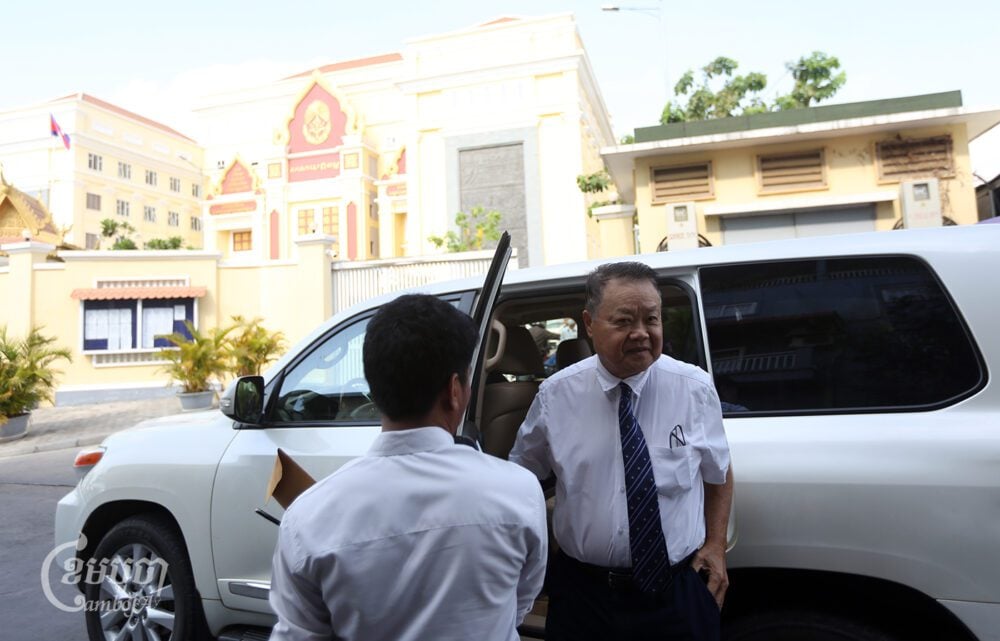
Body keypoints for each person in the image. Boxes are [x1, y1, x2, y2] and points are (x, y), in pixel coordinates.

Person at [270, 294, 548, 641]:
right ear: (455, 390)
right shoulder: (519, 491)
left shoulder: (308, 516)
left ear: (373, 389)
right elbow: (518, 603)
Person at [510, 261, 733, 641]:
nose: (641, 333)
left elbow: (719, 471)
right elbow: (521, 477)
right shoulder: (556, 396)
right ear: (589, 323)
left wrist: (716, 545)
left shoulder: (693, 389)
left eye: (652, 319)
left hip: (676, 592)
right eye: (624, 321)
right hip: (584, 595)